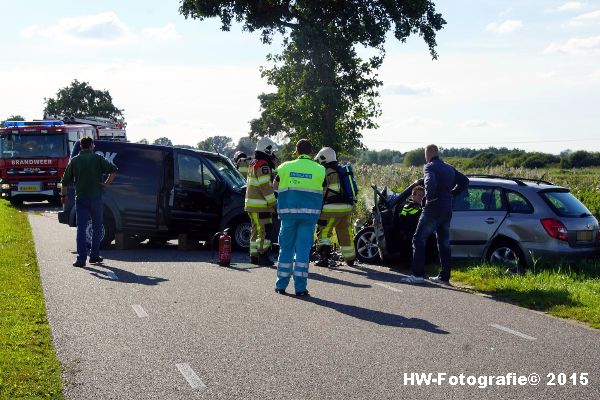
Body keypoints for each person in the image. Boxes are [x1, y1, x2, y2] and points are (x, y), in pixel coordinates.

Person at [401, 144, 469, 285]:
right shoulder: (449, 167)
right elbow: (465, 181)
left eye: (425, 155)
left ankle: (417, 275)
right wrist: (453, 194)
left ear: (428, 154)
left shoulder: (430, 166)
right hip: (447, 209)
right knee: (444, 242)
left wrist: (428, 199)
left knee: (418, 239)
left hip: (433, 208)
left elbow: (430, 182)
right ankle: (444, 277)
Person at [273, 139, 326, 296]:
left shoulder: (284, 167)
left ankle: (281, 285)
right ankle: (300, 289)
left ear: (296, 151)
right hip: (309, 216)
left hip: (288, 214)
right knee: (303, 251)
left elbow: (275, 186)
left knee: (286, 248)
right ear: (311, 152)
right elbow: (325, 189)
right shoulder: (320, 170)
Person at [60, 137, 118, 267]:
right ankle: (94, 256)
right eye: (93, 145)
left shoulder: (75, 161)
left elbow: (64, 181)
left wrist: (63, 196)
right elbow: (114, 170)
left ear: (81, 146)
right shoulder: (97, 158)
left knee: (81, 229)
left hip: (80, 198)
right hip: (96, 198)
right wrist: (105, 184)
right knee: (97, 227)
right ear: (91, 145)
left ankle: (81, 259)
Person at [314, 147, 355, 267]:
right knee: (345, 232)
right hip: (347, 208)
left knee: (324, 232)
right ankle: (350, 258)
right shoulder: (342, 170)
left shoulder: (325, 172)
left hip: (331, 209)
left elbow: (321, 191)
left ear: (323, 158)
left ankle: (324, 258)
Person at [244, 138, 278, 266]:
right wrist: (273, 203)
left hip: (251, 206)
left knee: (255, 230)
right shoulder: (263, 165)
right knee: (264, 230)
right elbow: (265, 187)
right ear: (267, 150)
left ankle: (254, 256)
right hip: (261, 206)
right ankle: (262, 256)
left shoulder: (253, 163)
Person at [396, 185, 425, 263]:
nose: (421, 197)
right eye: (419, 195)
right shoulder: (408, 206)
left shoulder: (420, 206)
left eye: (422, 196)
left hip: (415, 232)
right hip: (408, 233)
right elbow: (402, 218)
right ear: (413, 195)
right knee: (408, 250)